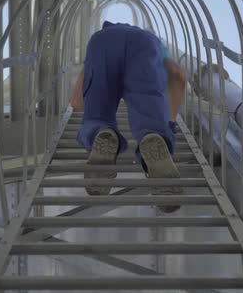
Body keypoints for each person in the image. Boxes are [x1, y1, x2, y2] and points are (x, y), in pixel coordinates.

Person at [70, 21, 186, 212]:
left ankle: (101, 132)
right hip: (144, 45)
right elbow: (178, 75)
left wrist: (96, 102)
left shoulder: (102, 35)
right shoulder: (152, 39)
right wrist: (169, 125)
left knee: (97, 117)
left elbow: (76, 100)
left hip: (102, 44)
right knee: (151, 118)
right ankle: (153, 136)